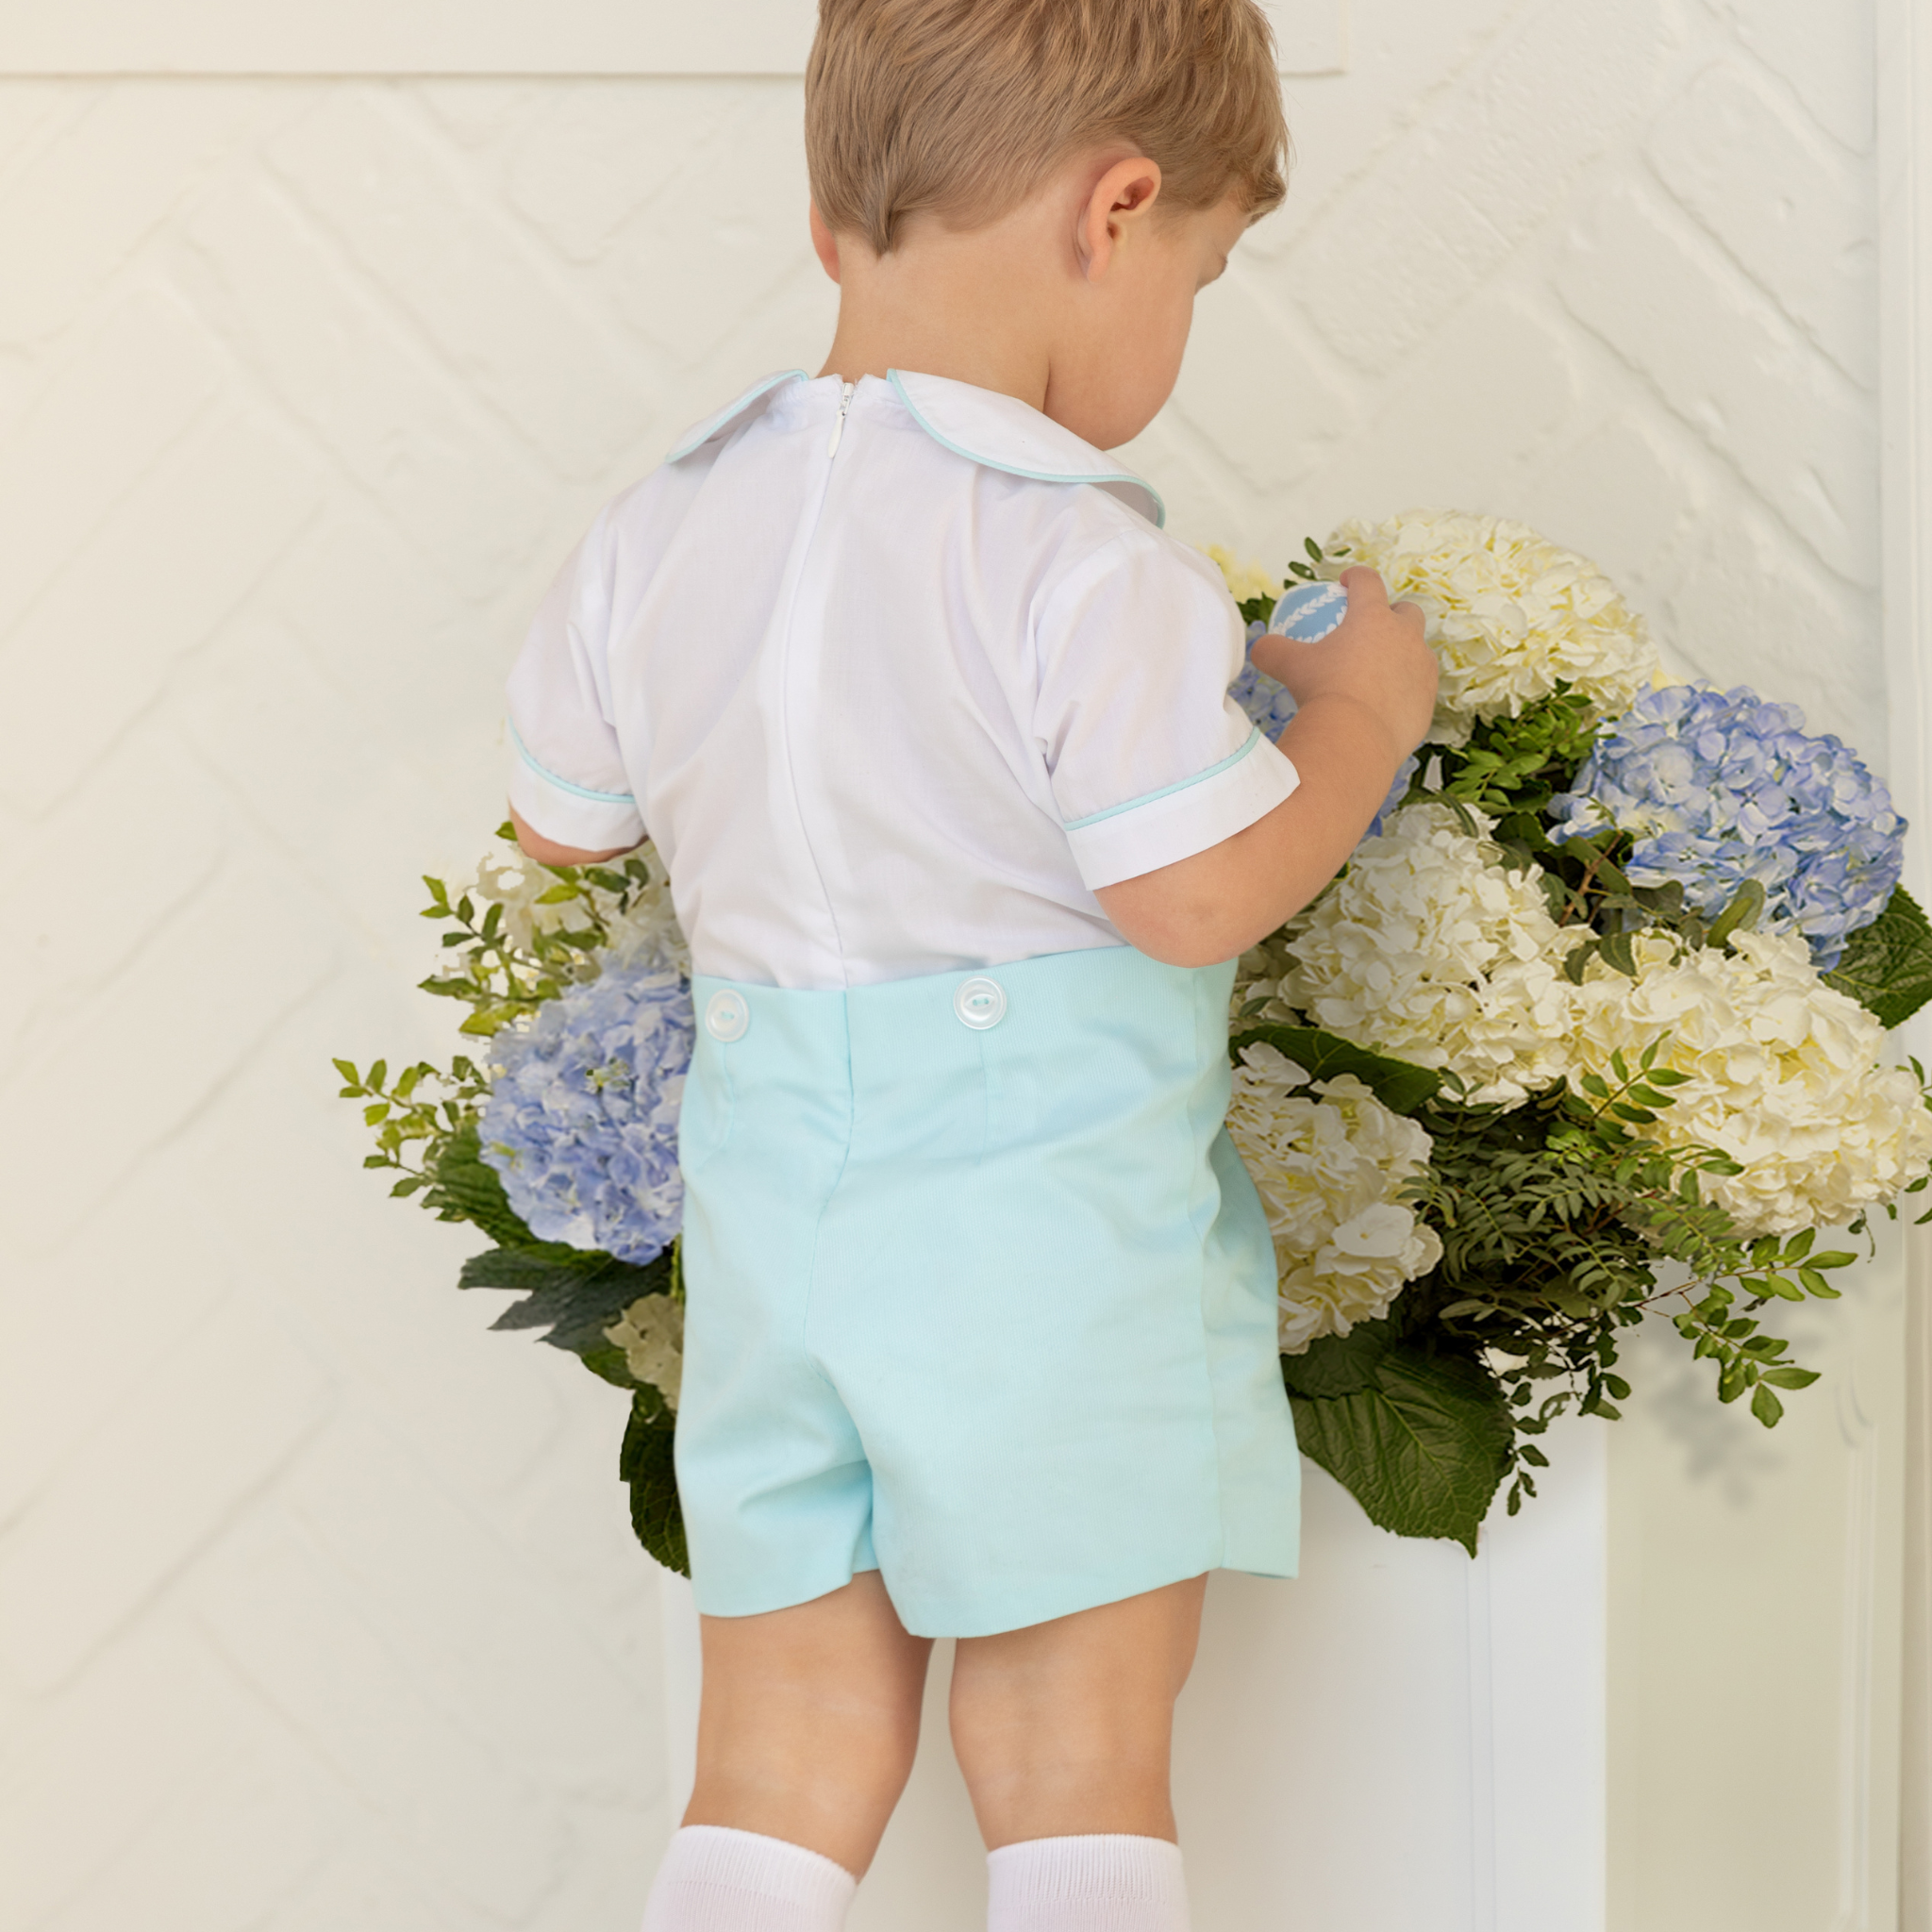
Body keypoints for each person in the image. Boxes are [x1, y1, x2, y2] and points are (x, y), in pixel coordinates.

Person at [502, 1, 1437, 1924]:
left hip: (775, 1218)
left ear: (830, 220)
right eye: (1202, 275)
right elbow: (1192, 897)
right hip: (1042, 1234)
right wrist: (1358, 715)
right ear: (1119, 211)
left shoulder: (660, 521)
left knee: (775, 1755)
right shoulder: (1078, 560)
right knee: (1071, 1747)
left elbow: (565, 828)